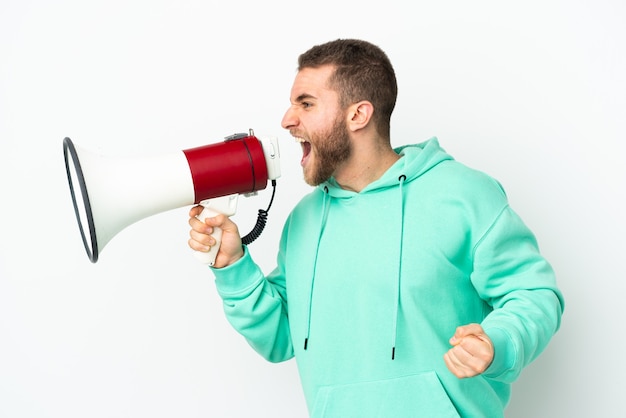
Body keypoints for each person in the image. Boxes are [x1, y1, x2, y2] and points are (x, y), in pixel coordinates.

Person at [188, 39, 564, 417]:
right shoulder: (304, 220)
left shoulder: (464, 195)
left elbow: (534, 294)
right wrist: (233, 266)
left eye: (306, 103)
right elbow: (279, 338)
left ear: (358, 115)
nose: (287, 119)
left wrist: (499, 341)